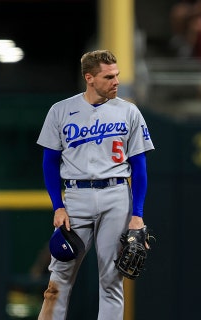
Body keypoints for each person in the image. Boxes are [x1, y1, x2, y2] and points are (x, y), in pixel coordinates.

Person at [36, 49, 155, 320]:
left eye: (117, 75)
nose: (116, 81)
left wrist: (137, 215)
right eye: (108, 76)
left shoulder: (129, 111)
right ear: (89, 78)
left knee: (112, 281)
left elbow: (139, 167)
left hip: (116, 194)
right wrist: (58, 206)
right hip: (76, 197)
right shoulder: (61, 110)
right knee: (57, 282)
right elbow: (49, 162)